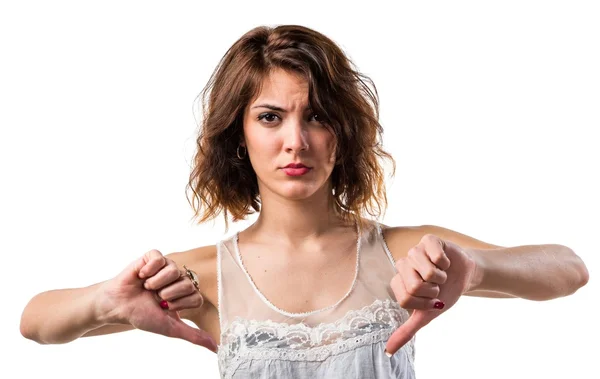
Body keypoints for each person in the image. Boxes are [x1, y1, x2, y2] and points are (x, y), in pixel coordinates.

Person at [20, 24, 589, 379]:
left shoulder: (408, 255)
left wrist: (479, 267)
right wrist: (104, 303)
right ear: (238, 136)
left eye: (316, 116)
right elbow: (34, 322)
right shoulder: (200, 277)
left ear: (342, 132)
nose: (296, 140)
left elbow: (569, 269)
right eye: (270, 117)